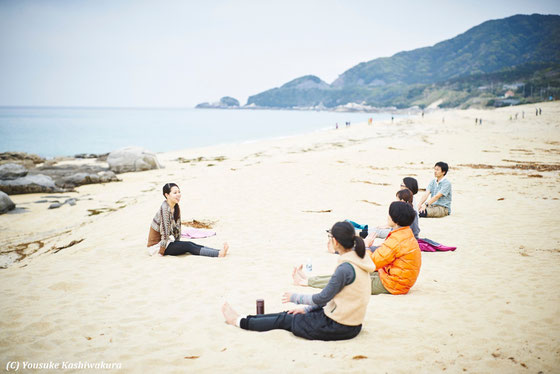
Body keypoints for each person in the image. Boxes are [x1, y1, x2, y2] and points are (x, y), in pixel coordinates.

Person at [222, 221, 374, 341]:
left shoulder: (345, 268)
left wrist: (294, 297)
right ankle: (244, 318)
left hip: (338, 326)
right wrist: (306, 309)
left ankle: (238, 321)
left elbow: (323, 297)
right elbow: (331, 297)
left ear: (335, 241)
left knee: (285, 320)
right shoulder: (359, 259)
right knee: (289, 314)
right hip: (350, 323)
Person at [294, 201, 421, 296]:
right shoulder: (404, 233)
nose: (387, 216)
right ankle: (309, 280)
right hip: (394, 277)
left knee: (350, 277)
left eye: (389, 214)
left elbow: (372, 264)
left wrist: (366, 246)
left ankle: (306, 282)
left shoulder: (397, 239)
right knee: (350, 271)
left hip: (393, 284)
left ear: (395, 219)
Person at [147, 183, 229, 257]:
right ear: (167, 195)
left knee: (190, 244)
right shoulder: (164, 210)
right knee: (188, 246)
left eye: (179, 192)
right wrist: (161, 253)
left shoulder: (175, 207)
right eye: (175, 193)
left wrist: (178, 243)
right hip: (157, 246)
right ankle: (218, 254)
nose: (178, 195)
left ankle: (218, 251)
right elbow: (164, 233)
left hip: (166, 242)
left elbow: (177, 228)